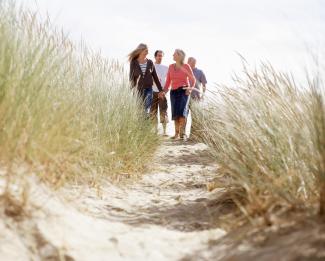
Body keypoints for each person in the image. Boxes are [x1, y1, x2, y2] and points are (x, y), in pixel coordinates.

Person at [164, 49, 196, 140]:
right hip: (173, 92)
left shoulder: (186, 66)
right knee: (175, 113)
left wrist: (189, 89)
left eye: (174, 54)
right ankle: (176, 134)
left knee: (182, 112)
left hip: (183, 91)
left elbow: (193, 79)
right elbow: (168, 82)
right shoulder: (170, 67)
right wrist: (164, 92)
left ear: (179, 56)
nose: (173, 55)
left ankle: (182, 133)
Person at [128, 43, 165, 117]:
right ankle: (142, 122)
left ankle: (145, 117)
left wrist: (161, 90)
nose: (148, 52)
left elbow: (155, 77)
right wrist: (132, 88)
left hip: (149, 88)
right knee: (139, 108)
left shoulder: (150, 62)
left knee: (147, 105)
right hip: (138, 89)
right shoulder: (134, 62)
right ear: (141, 50)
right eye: (146, 50)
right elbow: (131, 76)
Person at [187, 57, 207, 140]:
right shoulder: (185, 71)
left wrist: (203, 95)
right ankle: (182, 134)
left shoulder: (200, 72)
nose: (189, 63)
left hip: (196, 97)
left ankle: (193, 135)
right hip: (185, 97)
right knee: (183, 116)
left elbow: (204, 84)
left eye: (191, 62)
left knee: (195, 117)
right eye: (189, 62)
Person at [150, 50, 169, 135]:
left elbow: (169, 81)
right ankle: (155, 132)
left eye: (161, 56)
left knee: (163, 111)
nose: (160, 57)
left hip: (162, 92)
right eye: (158, 55)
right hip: (152, 92)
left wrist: (165, 91)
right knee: (153, 112)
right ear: (155, 56)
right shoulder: (151, 66)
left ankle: (164, 132)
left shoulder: (166, 68)